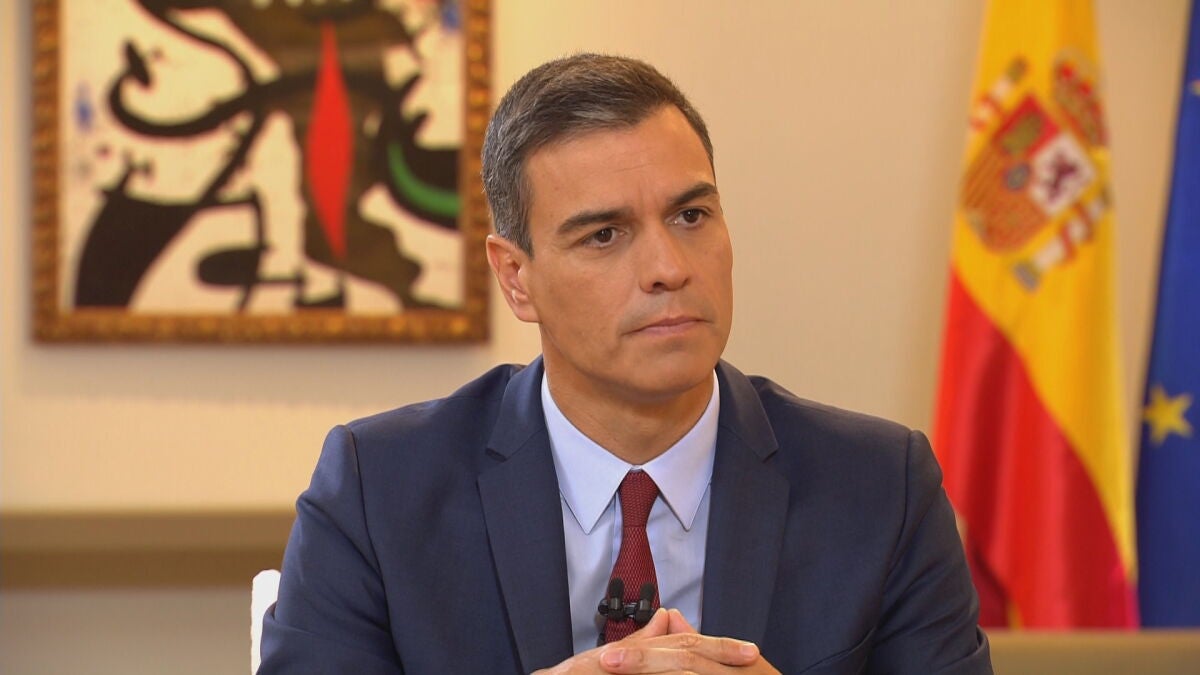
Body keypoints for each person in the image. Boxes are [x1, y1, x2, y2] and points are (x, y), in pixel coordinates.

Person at [259, 53, 992, 674]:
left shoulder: (880, 488)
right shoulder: (379, 488)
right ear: (516, 277)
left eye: (691, 216)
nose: (669, 267)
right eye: (605, 235)